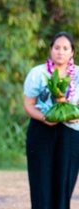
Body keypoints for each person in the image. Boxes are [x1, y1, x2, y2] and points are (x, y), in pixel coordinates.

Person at [23, 31, 79, 209]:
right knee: (41, 182)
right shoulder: (38, 73)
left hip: (70, 135)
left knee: (64, 182)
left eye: (65, 48)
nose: (60, 52)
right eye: (56, 48)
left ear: (72, 52)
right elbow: (29, 104)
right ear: (50, 50)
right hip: (41, 132)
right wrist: (44, 117)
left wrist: (74, 115)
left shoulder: (78, 74)